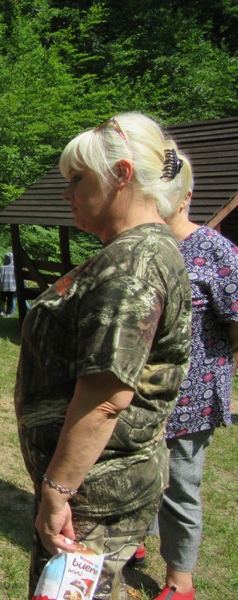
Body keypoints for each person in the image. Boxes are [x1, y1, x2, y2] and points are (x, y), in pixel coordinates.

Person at [14, 113, 192, 600]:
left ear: (122, 175)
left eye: (77, 179)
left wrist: (58, 491)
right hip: (96, 484)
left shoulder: (132, 266)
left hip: (92, 493)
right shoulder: (140, 250)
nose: (66, 194)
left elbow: (106, 398)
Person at [144, 153, 238, 600]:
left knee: (180, 486)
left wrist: (211, 366)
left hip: (191, 397)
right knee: (138, 471)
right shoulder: (143, 245)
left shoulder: (216, 251)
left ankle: (179, 581)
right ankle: (135, 541)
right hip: (139, 391)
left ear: (186, 197)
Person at [0, 252, 17, 317]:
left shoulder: (2, 268)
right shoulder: (15, 268)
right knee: (10, 301)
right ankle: (8, 313)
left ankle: (2, 312)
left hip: (3, 287)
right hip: (12, 288)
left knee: (2, 300)